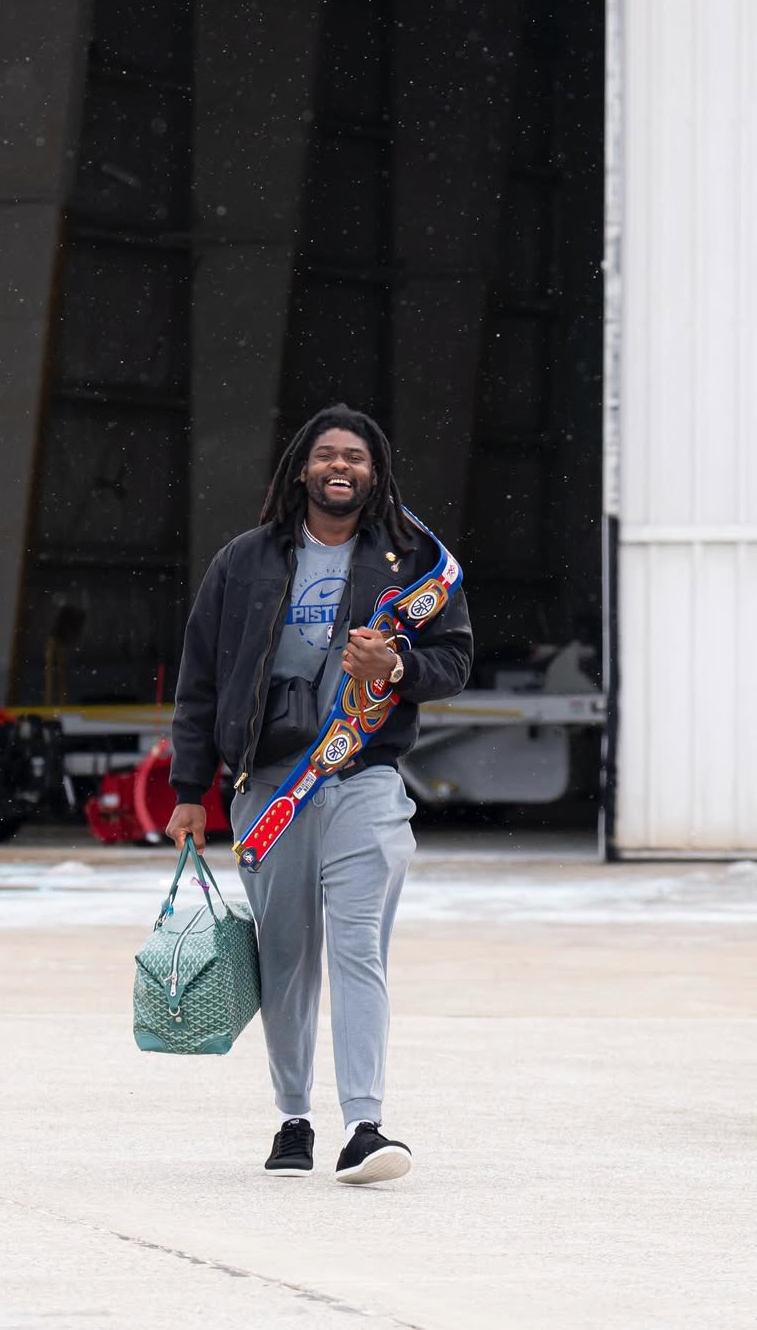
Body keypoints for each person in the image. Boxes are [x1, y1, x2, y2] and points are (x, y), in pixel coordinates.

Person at [165, 404, 473, 1185]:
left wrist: (396, 669)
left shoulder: (412, 562)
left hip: (365, 779)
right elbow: (200, 679)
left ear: (377, 473)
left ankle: (365, 1124)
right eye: (328, 454)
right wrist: (190, 789)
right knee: (287, 957)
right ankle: (293, 1117)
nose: (342, 466)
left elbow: (455, 661)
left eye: (357, 457)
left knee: (358, 945)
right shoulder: (243, 561)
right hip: (271, 787)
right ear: (302, 467)